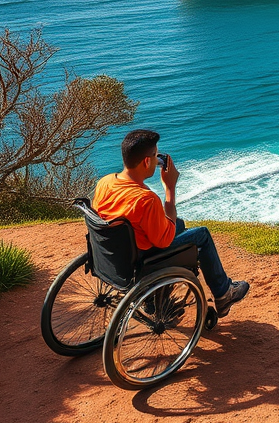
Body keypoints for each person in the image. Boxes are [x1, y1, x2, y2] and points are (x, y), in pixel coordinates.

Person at [92, 129, 250, 317]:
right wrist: (169, 188)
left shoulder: (105, 182)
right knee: (202, 234)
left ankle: (154, 298)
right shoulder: (146, 199)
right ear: (146, 162)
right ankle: (223, 293)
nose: (157, 159)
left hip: (114, 254)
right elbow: (164, 241)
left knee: (179, 224)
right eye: (155, 155)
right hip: (143, 259)